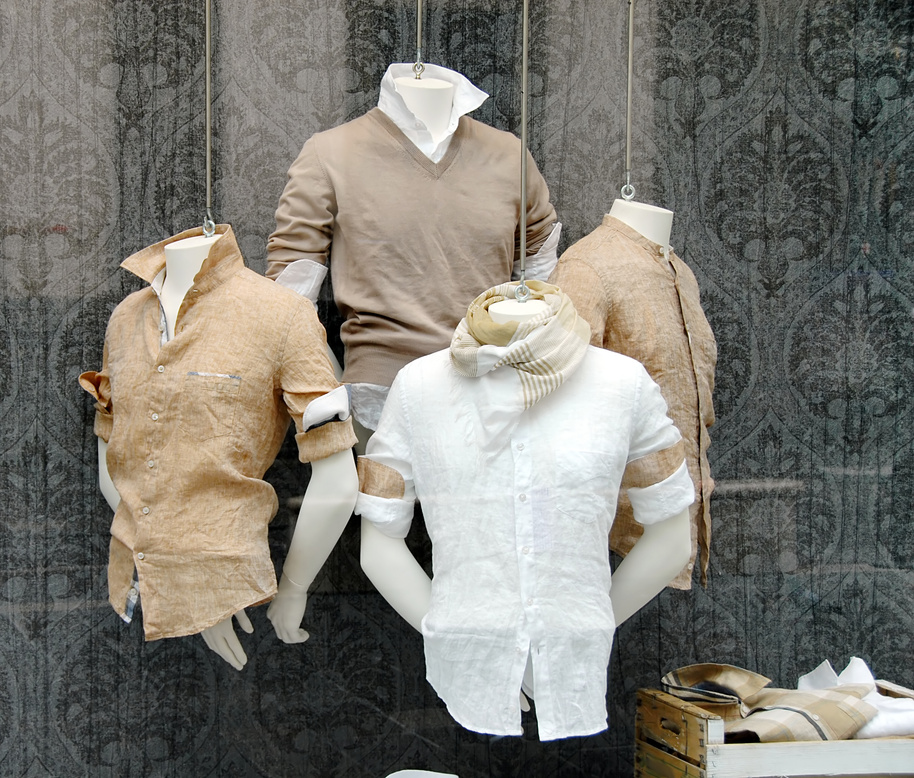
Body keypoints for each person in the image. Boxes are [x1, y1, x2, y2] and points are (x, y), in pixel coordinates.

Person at [357, 281, 692, 739]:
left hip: (582, 664)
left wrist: (575, 631)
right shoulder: (418, 386)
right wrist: (458, 638)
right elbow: (378, 540)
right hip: (459, 677)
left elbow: (673, 538)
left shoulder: (623, 383)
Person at [80, 225, 358, 669]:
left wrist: (292, 588)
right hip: (137, 582)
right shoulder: (126, 317)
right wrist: (185, 582)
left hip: (241, 590)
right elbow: (114, 462)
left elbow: (339, 479)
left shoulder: (282, 315)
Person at [266, 63, 561, 446]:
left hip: (496, 397)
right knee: (383, 504)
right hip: (378, 401)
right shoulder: (330, 153)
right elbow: (288, 302)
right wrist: (328, 390)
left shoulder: (508, 154)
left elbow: (541, 280)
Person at [549, 199, 717, 588]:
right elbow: (558, 403)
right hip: (611, 532)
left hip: (675, 511)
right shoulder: (586, 268)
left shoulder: (681, 273)